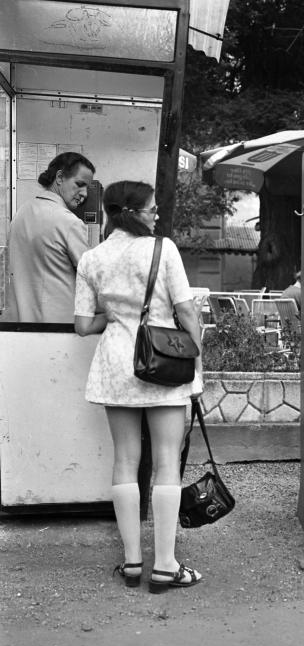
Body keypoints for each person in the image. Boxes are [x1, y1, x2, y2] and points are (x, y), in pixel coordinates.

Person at [74, 181, 203, 594]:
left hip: (115, 364)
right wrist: (197, 369)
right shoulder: (164, 250)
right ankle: (165, 565)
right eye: (152, 208)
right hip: (162, 363)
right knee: (166, 461)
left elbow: (82, 325)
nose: (157, 214)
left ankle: (132, 562)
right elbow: (185, 313)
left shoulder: (92, 259)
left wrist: (115, 317)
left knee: (125, 461)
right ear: (133, 211)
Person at [7, 152, 95, 322]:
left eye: (87, 188)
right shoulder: (69, 222)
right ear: (60, 177)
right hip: (58, 328)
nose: (84, 194)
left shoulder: (21, 214)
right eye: (79, 184)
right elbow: (92, 277)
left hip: (20, 327)